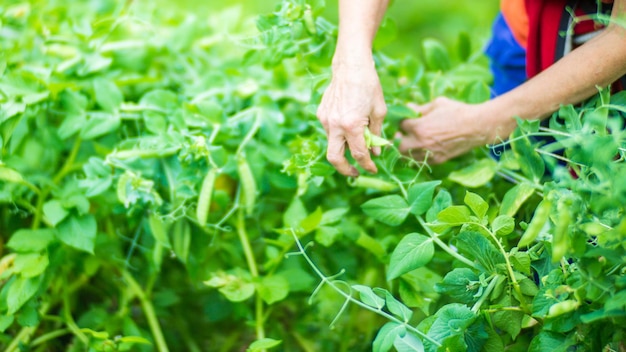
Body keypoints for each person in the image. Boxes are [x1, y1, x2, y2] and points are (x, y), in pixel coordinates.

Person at [316, 0, 626, 177]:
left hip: (606, 58)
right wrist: (351, 64)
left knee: (594, 233)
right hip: (526, 28)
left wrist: (478, 124)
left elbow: (622, 36)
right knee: (525, 198)